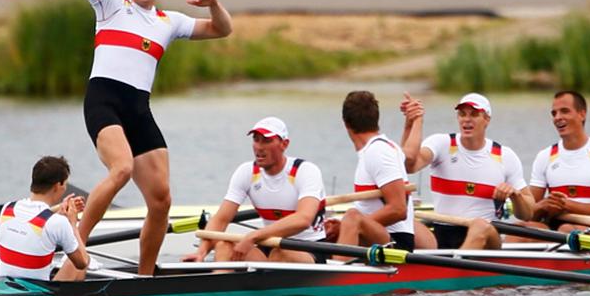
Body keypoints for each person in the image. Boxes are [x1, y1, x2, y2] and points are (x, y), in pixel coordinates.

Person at [36, 0, 234, 277]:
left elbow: (222, 30)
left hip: (138, 108)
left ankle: (146, 277)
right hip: (104, 99)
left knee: (161, 199)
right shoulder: (111, 3)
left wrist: (214, 4)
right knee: (121, 168)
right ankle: (77, 248)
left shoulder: (169, 21)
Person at [184, 117, 328, 264]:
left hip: (309, 248)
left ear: (284, 144)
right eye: (256, 139)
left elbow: (303, 219)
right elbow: (221, 219)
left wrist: (254, 236)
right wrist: (201, 252)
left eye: (266, 141)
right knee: (224, 246)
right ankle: (220, 283)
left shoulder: (305, 171)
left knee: (281, 254)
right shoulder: (247, 172)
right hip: (268, 245)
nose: (259, 147)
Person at [400, 92, 530, 249]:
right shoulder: (442, 144)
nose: (467, 119)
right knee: (401, 218)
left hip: (487, 237)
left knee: (480, 226)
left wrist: (515, 195)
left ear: (487, 119)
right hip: (444, 232)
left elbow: (528, 213)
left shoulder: (504, 155)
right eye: (462, 114)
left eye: (474, 114)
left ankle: (452, 268)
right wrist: (413, 123)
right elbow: (409, 165)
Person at [527, 91, 590, 233]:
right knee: (518, 230)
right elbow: (530, 213)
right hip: (553, 225)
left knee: (566, 229)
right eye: (554, 113)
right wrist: (542, 206)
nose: (558, 118)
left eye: (564, 111)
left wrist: (567, 205)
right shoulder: (545, 156)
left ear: (582, 114)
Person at [334, 91, 416, 253]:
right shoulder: (381, 148)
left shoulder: (378, 152)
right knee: (339, 223)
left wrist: (352, 226)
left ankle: (334, 274)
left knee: (351, 217)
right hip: (380, 235)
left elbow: (399, 209)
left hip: (396, 241)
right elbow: (411, 155)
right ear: (376, 119)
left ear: (346, 123)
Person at [0, 156, 90, 281]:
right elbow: (82, 262)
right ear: (58, 186)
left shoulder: (7, 209)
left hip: (3, 288)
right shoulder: (58, 223)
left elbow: (32, 219)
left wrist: (60, 208)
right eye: (65, 184)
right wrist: (73, 224)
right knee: (78, 268)